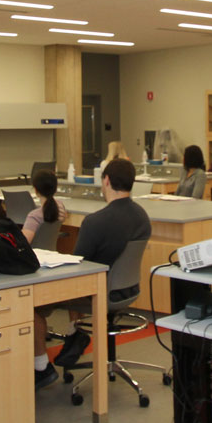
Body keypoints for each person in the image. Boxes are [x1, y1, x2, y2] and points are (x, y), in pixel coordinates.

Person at [37, 159, 152, 385]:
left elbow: (78, 266)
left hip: (97, 291)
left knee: (33, 305)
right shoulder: (142, 217)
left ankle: (41, 367)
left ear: (106, 181)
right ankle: (73, 335)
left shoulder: (95, 222)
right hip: (127, 290)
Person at [21, 169, 68, 244]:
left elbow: (23, 244)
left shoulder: (34, 216)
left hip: (35, 254)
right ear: (55, 189)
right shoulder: (60, 207)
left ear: (36, 190)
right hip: (51, 253)